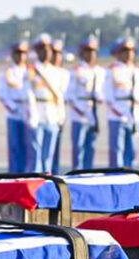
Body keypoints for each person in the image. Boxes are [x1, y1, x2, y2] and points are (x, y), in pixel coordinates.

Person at [103, 35, 139, 170]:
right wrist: (118, 111)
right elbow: (107, 94)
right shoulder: (113, 70)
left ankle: (129, 174)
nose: (129, 54)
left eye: (131, 51)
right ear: (118, 53)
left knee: (132, 149)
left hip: (134, 113)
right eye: (125, 51)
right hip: (117, 114)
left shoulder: (138, 71)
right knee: (117, 149)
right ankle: (116, 176)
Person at [66, 34, 106, 171]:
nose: (91, 54)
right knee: (78, 147)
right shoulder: (77, 71)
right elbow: (69, 95)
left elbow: (103, 92)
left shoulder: (100, 71)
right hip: (79, 113)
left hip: (93, 112)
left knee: (91, 146)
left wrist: (100, 97)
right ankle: (77, 173)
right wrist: (79, 110)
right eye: (88, 51)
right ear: (82, 53)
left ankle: (88, 172)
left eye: (93, 51)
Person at [27, 34, 65, 173]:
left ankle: (48, 182)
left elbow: (59, 96)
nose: (47, 51)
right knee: (35, 155)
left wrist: (61, 115)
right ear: (37, 51)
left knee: (48, 155)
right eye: (43, 49)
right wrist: (32, 114)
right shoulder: (32, 70)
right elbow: (29, 92)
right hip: (38, 113)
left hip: (52, 115)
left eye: (49, 48)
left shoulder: (57, 71)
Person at [0, 41, 31, 173]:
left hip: (29, 111)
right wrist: (13, 108)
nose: (20, 56)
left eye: (23, 53)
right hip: (14, 112)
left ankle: (26, 173)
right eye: (18, 53)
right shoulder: (8, 72)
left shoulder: (31, 71)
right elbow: (2, 94)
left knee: (28, 147)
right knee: (15, 146)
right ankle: (15, 173)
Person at [50, 36, 69, 174]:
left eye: (59, 54)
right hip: (47, 113)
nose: (57, 57)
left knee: (55, 148)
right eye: (54, 53)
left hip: (58, 113)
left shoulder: (64, 73)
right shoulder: (45, 71)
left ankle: (54, 174)